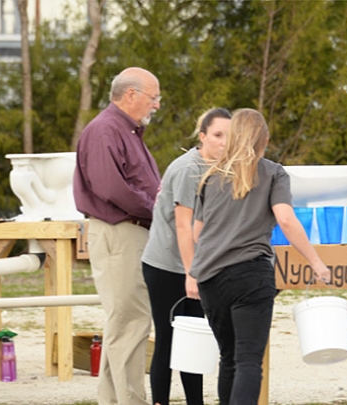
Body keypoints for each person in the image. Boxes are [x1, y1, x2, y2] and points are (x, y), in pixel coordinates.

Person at [190, 108, 332, 405]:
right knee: (249, 360)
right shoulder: (272, 172)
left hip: (211, 279)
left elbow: (196, 233)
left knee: (228, 358)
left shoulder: (209, 177)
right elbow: (286, 219)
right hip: (250, 274)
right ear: (265, 139)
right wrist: (316, 261)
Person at [73, 67, 162, 405]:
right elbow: (111, 188)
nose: (156, 105)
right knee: (131, 323)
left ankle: (114, 400)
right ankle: (131, 401)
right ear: (130, 95)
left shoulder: (124, 131)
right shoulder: (106, 131)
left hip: (128, 234)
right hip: (119, 234)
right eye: (153, 98)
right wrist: (158, 210)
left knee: (123, 323)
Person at [141, 108, 231, 405]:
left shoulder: (223, 168)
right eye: (218, 135)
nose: (224, 142)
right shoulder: (188, 169)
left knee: (195, 339)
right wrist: (191, 273)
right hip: (167, 265)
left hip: (198, 265)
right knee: (167, 340)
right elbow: (184, 226)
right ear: (202, 136)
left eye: (230, 136)